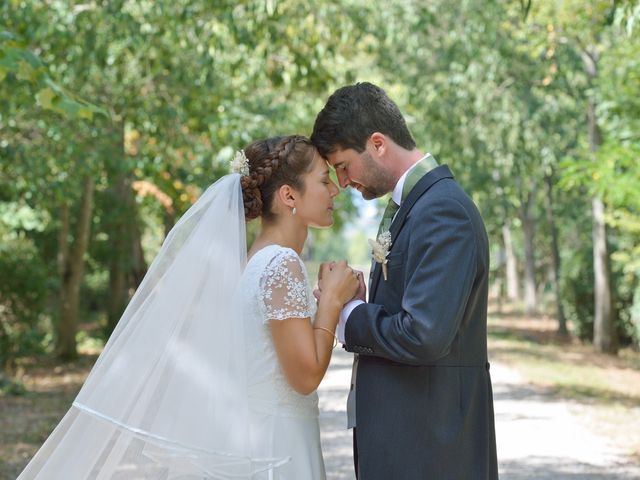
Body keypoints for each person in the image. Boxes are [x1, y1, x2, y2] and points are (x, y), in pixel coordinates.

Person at [17, 135, 360, 480]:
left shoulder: (255, 261)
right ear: (289, 196)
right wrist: (331, 300)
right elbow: (305, 377)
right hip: (277, 449)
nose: (334, 190)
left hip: (263, 438)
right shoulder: (281, 264)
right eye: (323, 179)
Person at [311, 82, 499, 479]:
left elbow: (424, 333)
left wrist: (349, 313)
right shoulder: (414, 206)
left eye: (343, 166)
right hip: (412, 442)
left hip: (431, 449)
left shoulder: (442, 210)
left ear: (378, 143)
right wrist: (369, 301)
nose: (342, 183)